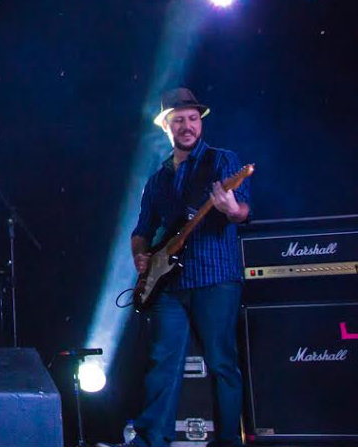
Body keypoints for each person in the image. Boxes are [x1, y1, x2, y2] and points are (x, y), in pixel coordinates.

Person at [128, 87, 250, 447]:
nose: (187, 126)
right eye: (179, 120)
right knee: (162, 362)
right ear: (166, 127)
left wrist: (231, 208)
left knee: (221, 363)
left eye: (193, 119)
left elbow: (243, 211)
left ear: (200, 122)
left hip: (215, 278)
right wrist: (141, 256)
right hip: (169, 285)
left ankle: (228, 441)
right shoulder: (158, 179)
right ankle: (152, 439)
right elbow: (142, 230)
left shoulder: (222, 161)